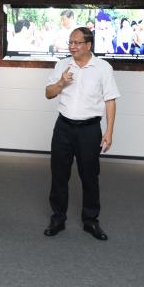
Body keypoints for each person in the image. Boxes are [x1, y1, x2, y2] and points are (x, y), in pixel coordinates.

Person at [44, 26, 120, 241]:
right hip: (63, 127)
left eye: (77, 43)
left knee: (90, 176)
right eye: (70, 42)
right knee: (59, 174)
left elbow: (110, 100)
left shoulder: (103, 67)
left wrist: (109, 131)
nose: (72, 46)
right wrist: (61, 82)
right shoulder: (62, 65)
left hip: (89, 130)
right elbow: (48, 93)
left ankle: (90, 220)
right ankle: (58, 218)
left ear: (88, 45)